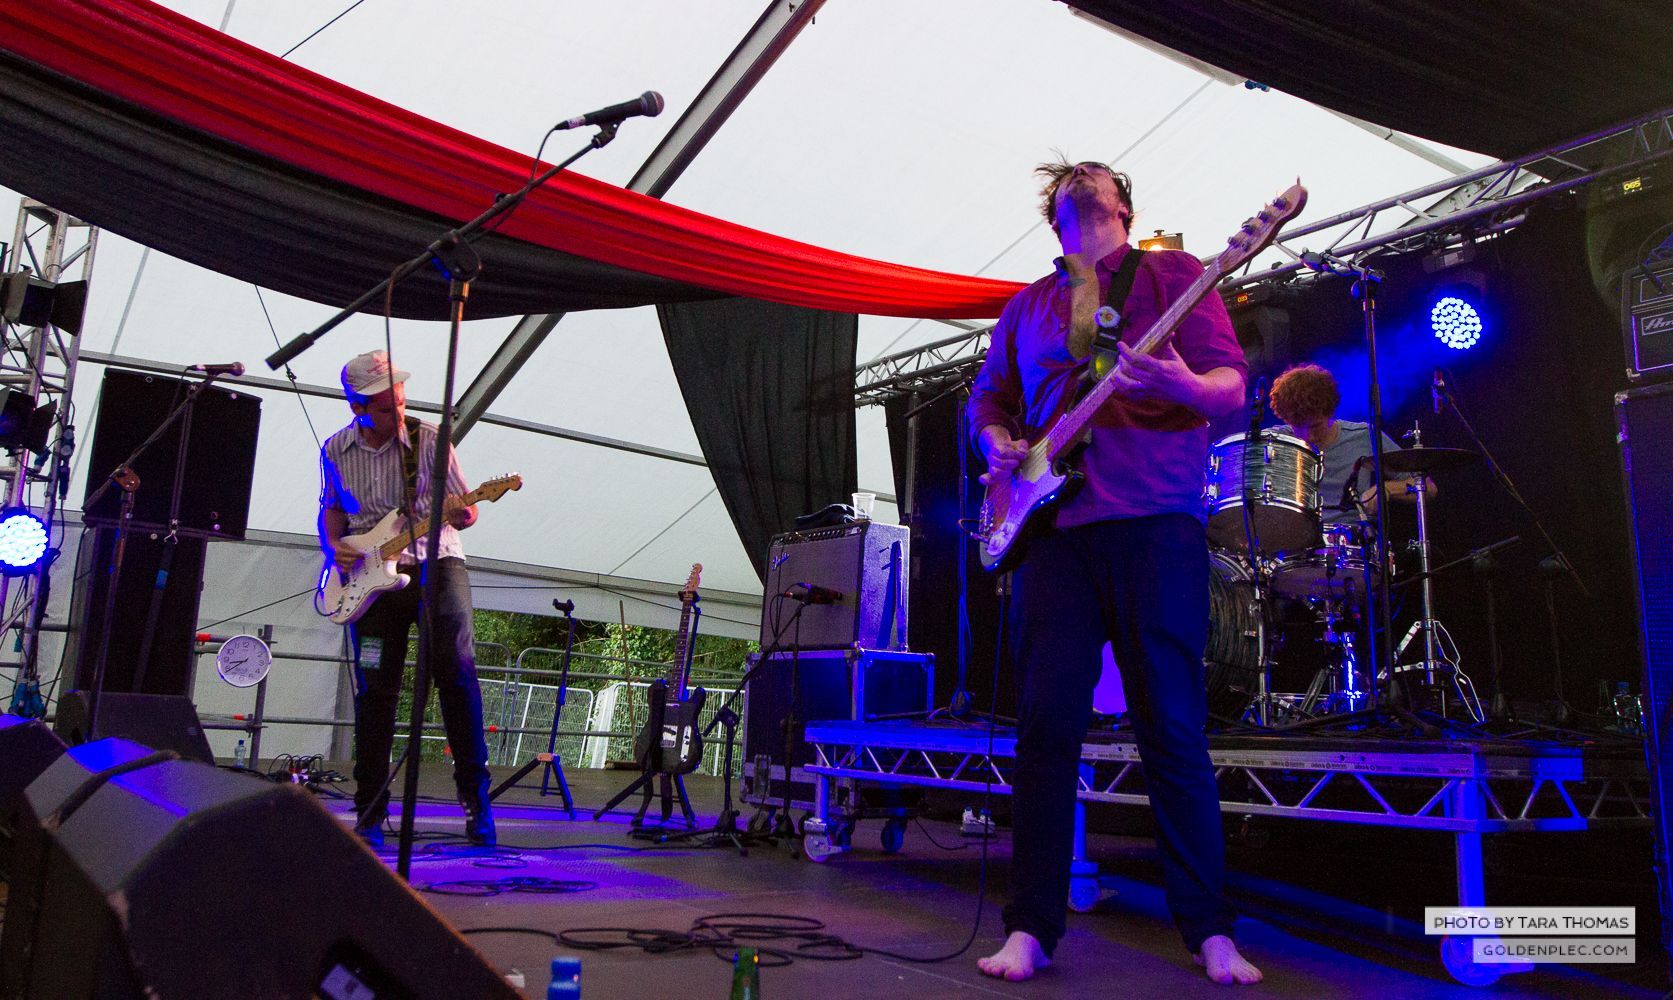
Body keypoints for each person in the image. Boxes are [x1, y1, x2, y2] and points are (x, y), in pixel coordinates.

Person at [969, 159, 1260, 985]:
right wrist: (997, 443)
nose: (1080, 179)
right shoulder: (1026, 304)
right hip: (1052, 532)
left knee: (1172, 727)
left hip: (1155, 521)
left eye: (1095, 176)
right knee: (1044, 730)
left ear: (1123, 207)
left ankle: (1209, 930)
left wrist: (1183, 381)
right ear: (1052, 217)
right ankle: (1030, 927)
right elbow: (988, 399)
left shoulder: (1175, 275)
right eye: (1067, 180)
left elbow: (1229, 386)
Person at [319, 350, 494, 848]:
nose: (399, 411)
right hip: (369, 580)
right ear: (357, 408)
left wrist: (464, 512)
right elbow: (331, 511)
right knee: (376, 691)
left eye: (400, 400)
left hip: (437, 563)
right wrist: (333, 548)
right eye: (385, 406)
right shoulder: (335, 449)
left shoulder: (431, 440)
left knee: (457, 674)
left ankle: (476, 804)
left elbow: (467, 510)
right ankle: (370, 810)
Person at [1267, 362, 1424, 524]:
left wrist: (1387, 489)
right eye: (1299, 427)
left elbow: (1426, 487)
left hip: (1350, 535)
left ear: (1330, 413)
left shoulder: (1364, 436)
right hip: (1292, 534)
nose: (1310, 436)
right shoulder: (1274, 440)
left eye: (1315, 426)